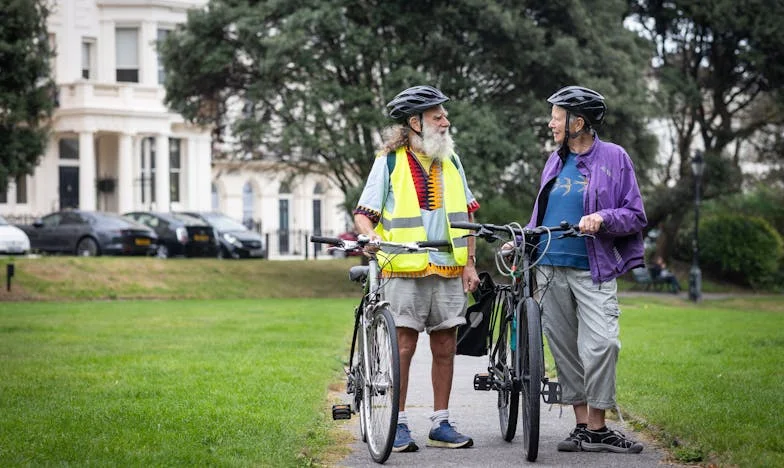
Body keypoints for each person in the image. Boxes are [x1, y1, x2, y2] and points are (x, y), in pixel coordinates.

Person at [353, 85, 480, 452]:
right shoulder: (389, 161)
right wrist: (370, 238)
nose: (446, 121)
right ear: (415, 122)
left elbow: (469, 214)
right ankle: (399, 422)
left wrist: (470, 263)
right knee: (403, 347)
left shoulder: (451, 160)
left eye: (444, 115)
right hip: (403, 267)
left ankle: (441, 423)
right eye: (438, 116)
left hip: (447, 266)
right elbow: (364, 214)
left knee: (445, 345)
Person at [528, 85, 647, 454]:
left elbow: (635, 215)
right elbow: (542, 210)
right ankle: (584, 426)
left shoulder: (614, 157)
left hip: (593, 269)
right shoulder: (554, 158)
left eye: (557, 115)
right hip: (549, 267)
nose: (551, 123)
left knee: (602, 344)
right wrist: (522, 241)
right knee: (564, 349)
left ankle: (599, 426)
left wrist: (602, 217)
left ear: (577, 121)